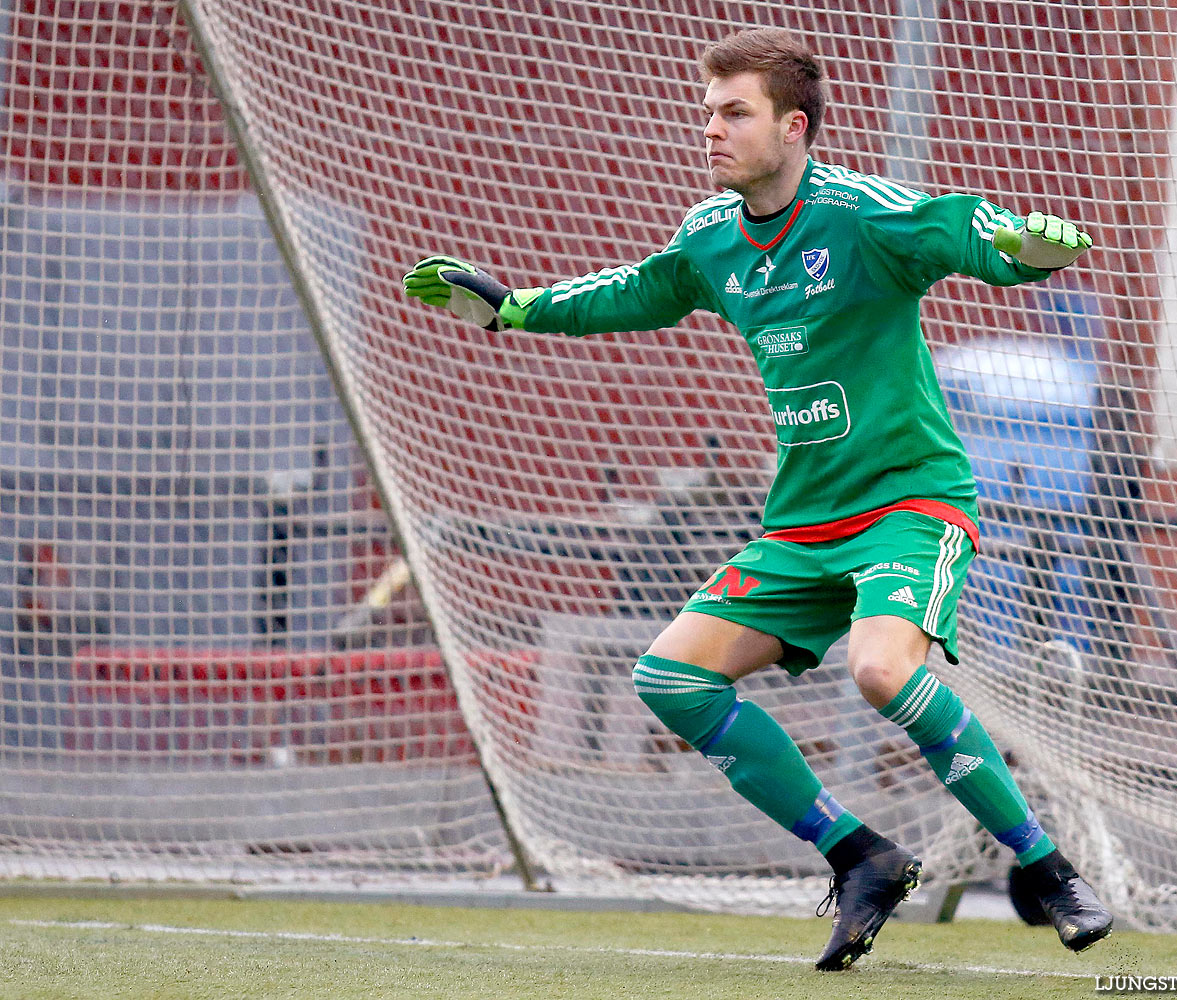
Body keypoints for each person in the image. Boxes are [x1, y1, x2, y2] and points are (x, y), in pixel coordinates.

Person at [404, 26, 1111, 971]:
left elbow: (953, 224)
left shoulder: (857, 214)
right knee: (670, 679)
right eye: (708, 112)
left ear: (794, 126)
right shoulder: (710, 238)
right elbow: (635, 291)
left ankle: (1042, 867)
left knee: (880, 671)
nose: (711, 129)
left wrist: (1019, 250)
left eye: (734, 113)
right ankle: (858, 854)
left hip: (910, 506)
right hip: (803, 524)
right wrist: (515, 307)